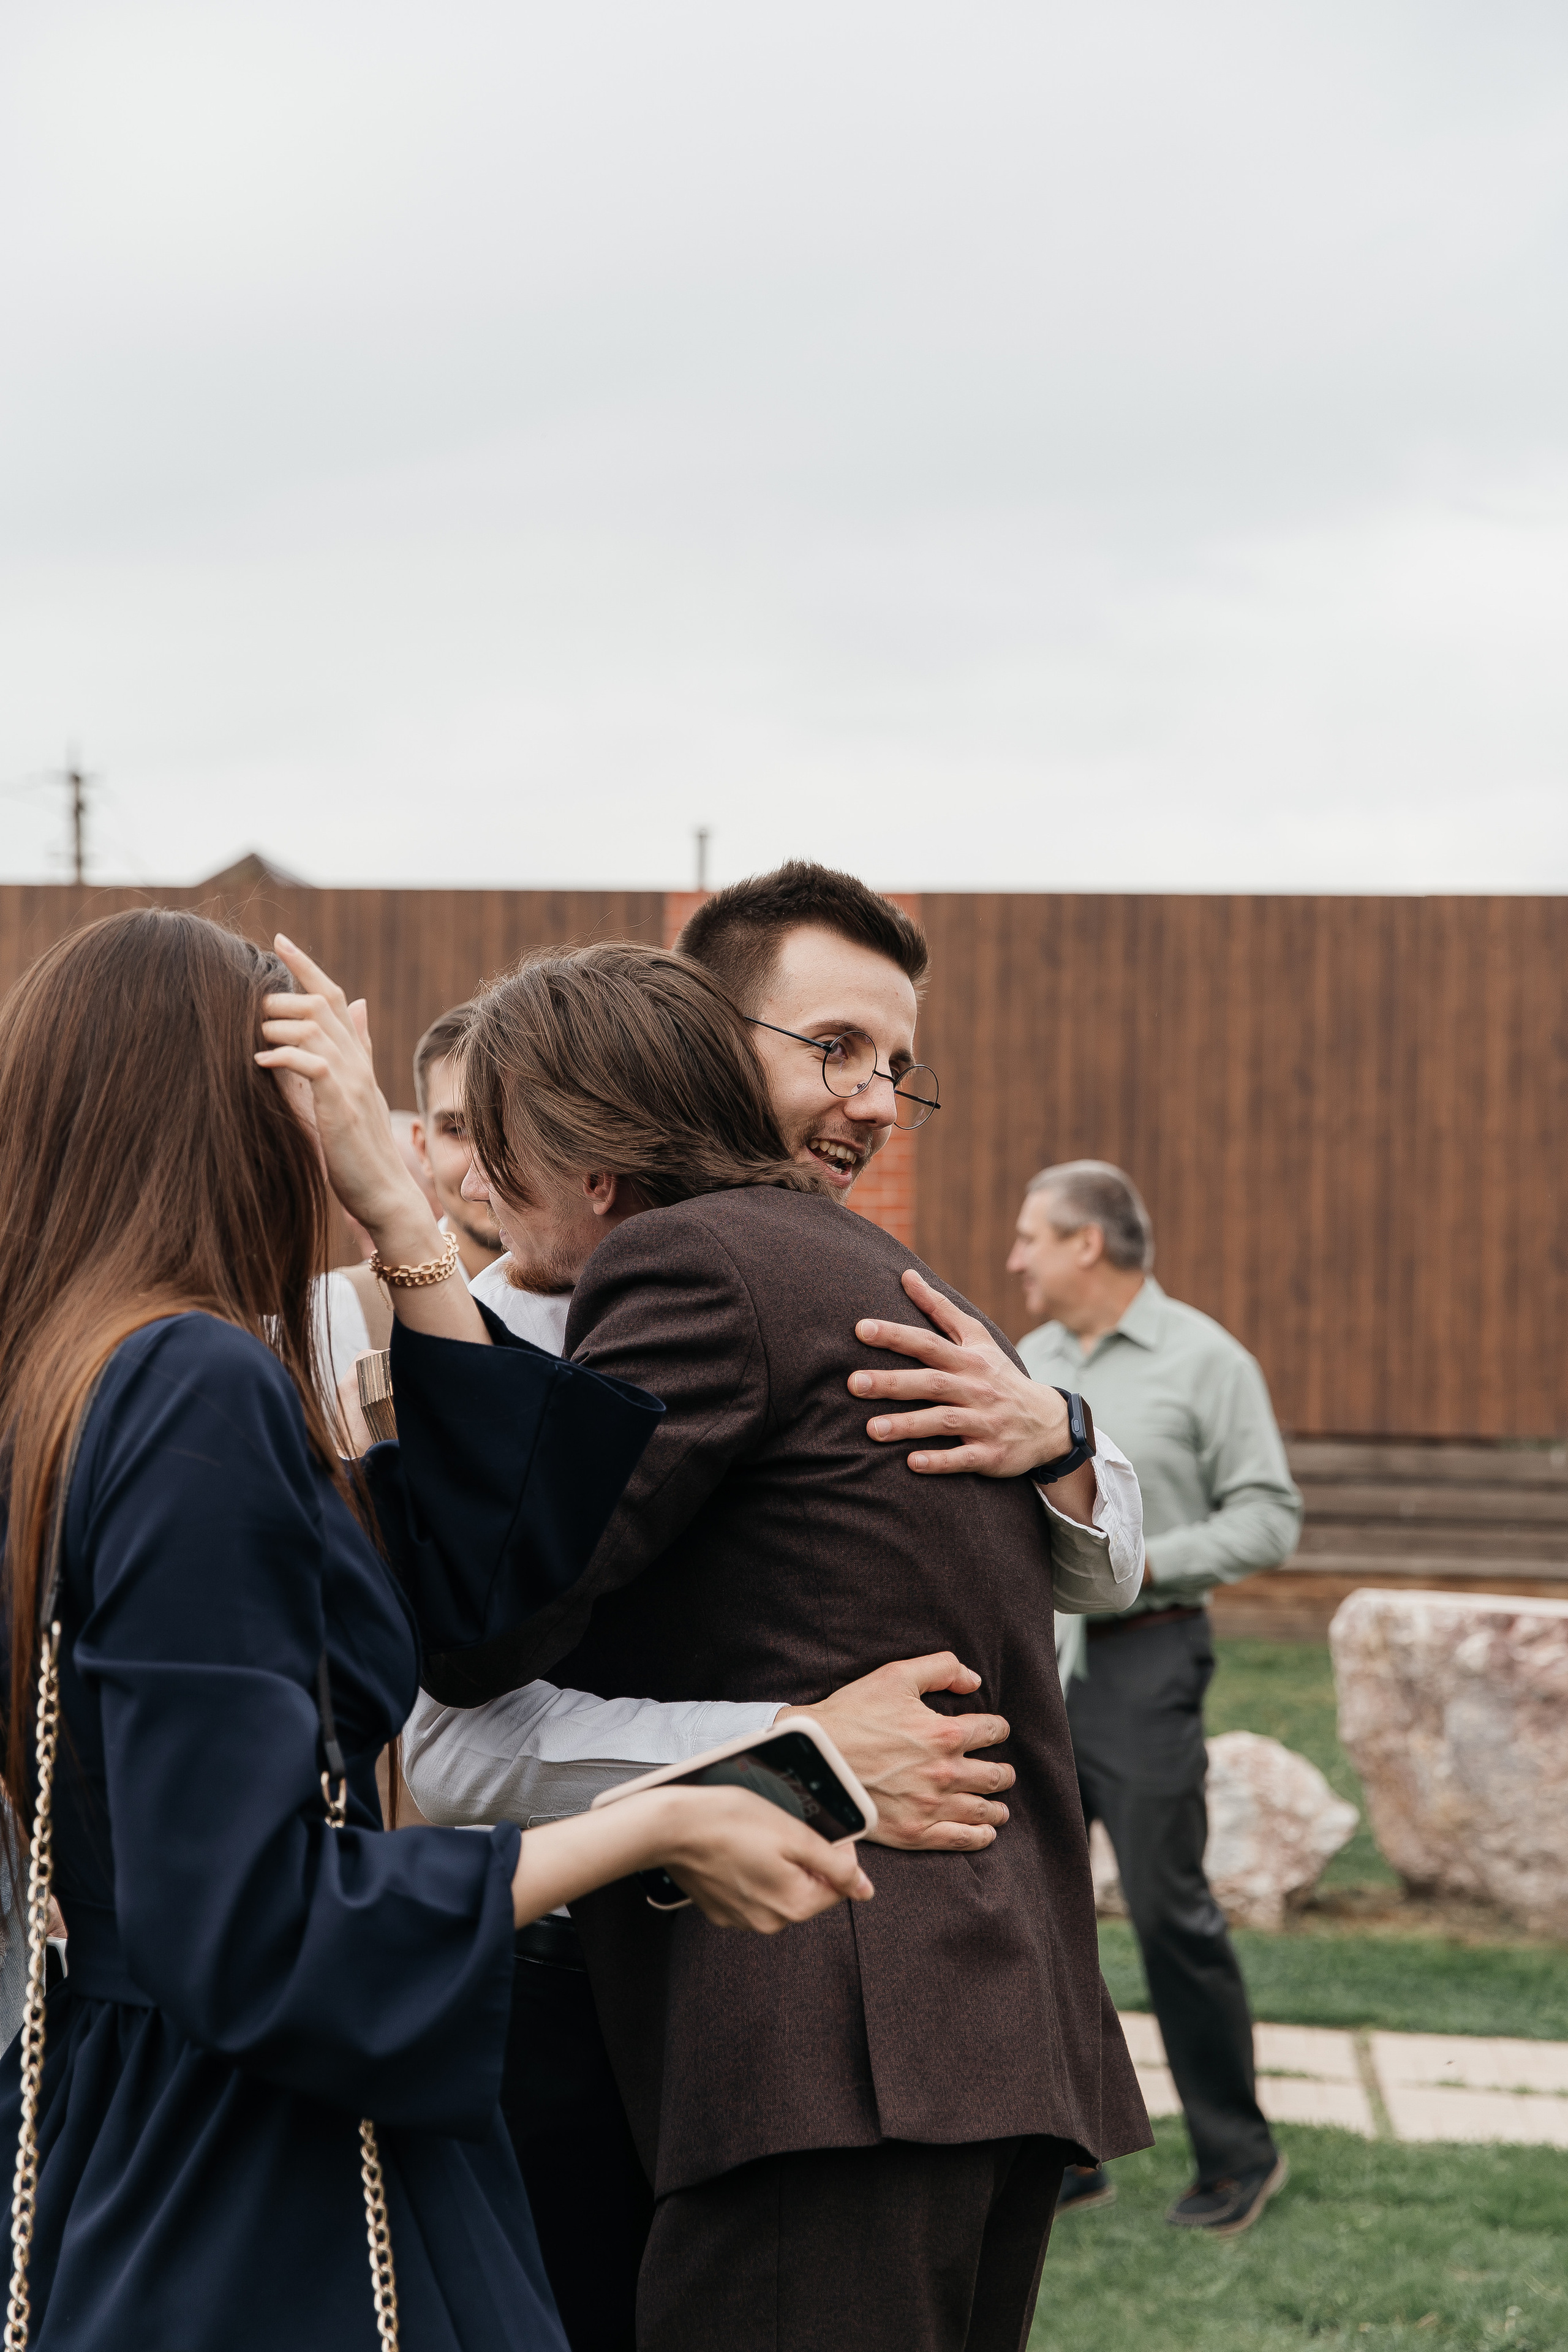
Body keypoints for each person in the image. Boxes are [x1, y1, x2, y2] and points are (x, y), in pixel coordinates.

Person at [0, 908, 873, 2352]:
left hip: (131, 2107)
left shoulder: (65, 1373)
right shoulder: (188, 1382)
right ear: (256, 1104)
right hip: (259, 2159)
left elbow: (485, 1590)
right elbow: (249, 1925)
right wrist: (668, 1819)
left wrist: (406, 1233)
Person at [275, 933, 1151, 2352]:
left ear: (598, 1173)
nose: (476, 1193)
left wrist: (396, 1285)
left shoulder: (687, 1264)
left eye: (495, 1156)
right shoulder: (833, 1255)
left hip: (836, 2030)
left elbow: (491, 1622)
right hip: (957, 2022)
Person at [1005, 1159, 1303, 2239]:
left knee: (1169, 1912)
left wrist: (1130, 1562)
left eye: (1032, 1236)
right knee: (1034, 1911)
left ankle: (1238, 2156)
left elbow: (1270, 1518)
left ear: (1089, 1243)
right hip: (1038, 1669)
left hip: (1148, 1661)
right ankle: (1068, 2154)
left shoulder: (1207, 1360)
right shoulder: (1027, 1359)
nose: (1014, 1259)